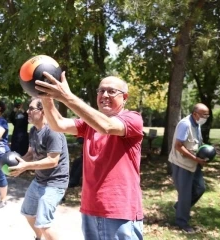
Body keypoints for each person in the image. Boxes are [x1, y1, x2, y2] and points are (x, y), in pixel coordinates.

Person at [35, 72, 144, 240]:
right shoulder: (89, 124)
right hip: (90, 208)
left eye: (111, 91)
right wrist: (45, 96)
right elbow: (58, 123)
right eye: (101, 91)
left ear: (125, 97)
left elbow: (106, 126)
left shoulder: (133, 119)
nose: (105, 95)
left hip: (119, 211)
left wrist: (67, 96)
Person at [8, 98, 69, 240]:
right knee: (28, 213)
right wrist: (20, 164)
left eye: (31, 109)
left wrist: (26, 166)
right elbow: (31, 153)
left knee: (44, 224)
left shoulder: (53, 131)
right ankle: (39, 237)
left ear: (43, 111)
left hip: (54, 183)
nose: (27, 112)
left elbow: (53, 161)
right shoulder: (34, 130)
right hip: (39, 180)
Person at [168, 103, 209, 233]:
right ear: (195, 114)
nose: (206, 117)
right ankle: (182, 222)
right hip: (182, 163)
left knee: (200, 188)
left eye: (207, 115)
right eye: (204, 115)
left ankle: (180, 207)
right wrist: (197, 159)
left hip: (193, 163)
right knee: (185, 194)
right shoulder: (185, 124)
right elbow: (178, 146)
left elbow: (195, 143)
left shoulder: (197, 124)